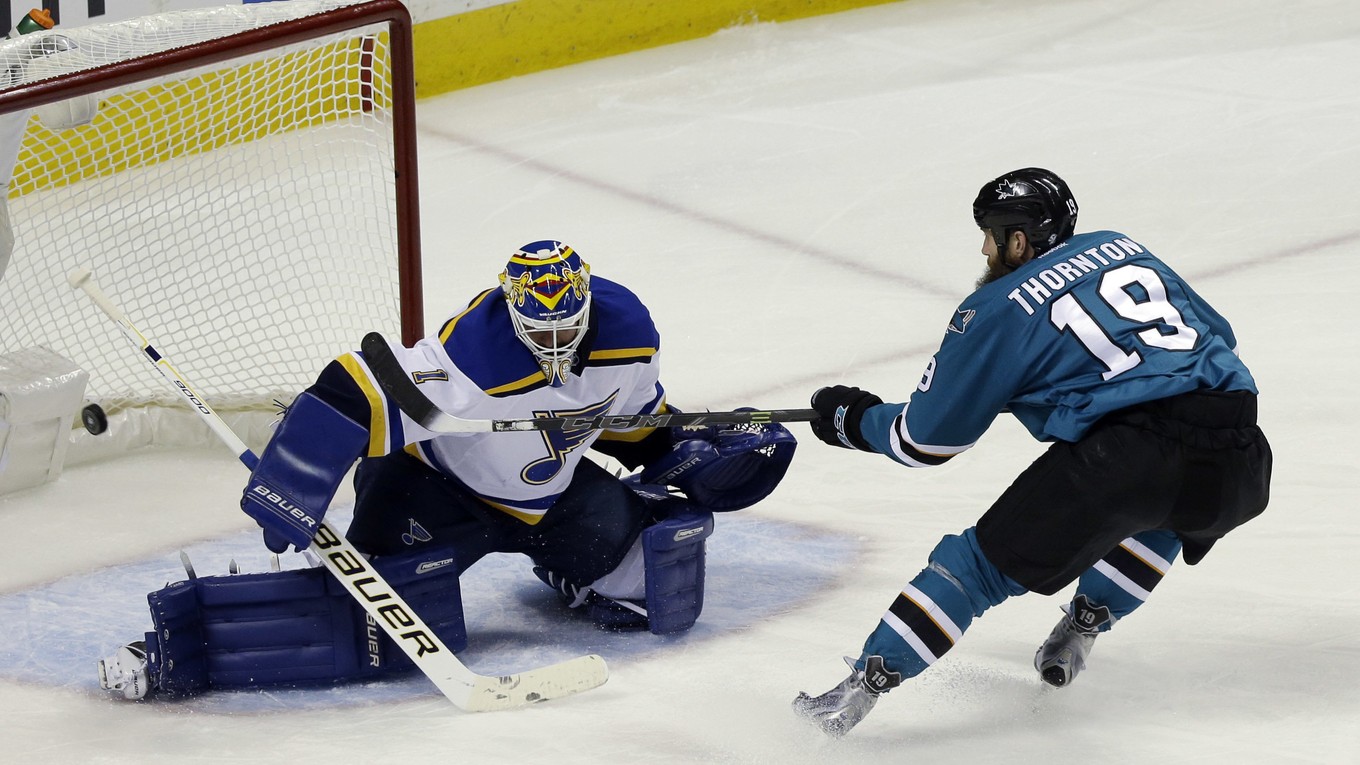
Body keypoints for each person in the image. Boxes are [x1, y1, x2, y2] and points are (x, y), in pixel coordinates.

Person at [97, 240, 796, 700]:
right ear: (513, 311)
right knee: (365, 627)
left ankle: (561, 566)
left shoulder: (629, 333)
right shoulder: (471, 352)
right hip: (433, 492)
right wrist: (296, 474)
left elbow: (635, 421)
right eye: (540, 331)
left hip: (547, 498)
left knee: (659, 587)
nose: (555, 344)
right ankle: (179, 644)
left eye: (567, 327)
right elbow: (353, 388)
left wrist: (685, 446)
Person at [791, 168, 1271, 737]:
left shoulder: (992, 309)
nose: (985, 247)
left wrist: (854, 420)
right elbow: (1217, 338)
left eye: (991, 235)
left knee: (975, 569)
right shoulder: (1122, 247)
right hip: (1241, 449)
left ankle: (854, 694)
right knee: (1166, 515)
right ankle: (1084, 627)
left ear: (1019, 241)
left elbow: (924, 442)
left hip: (1129, 458)